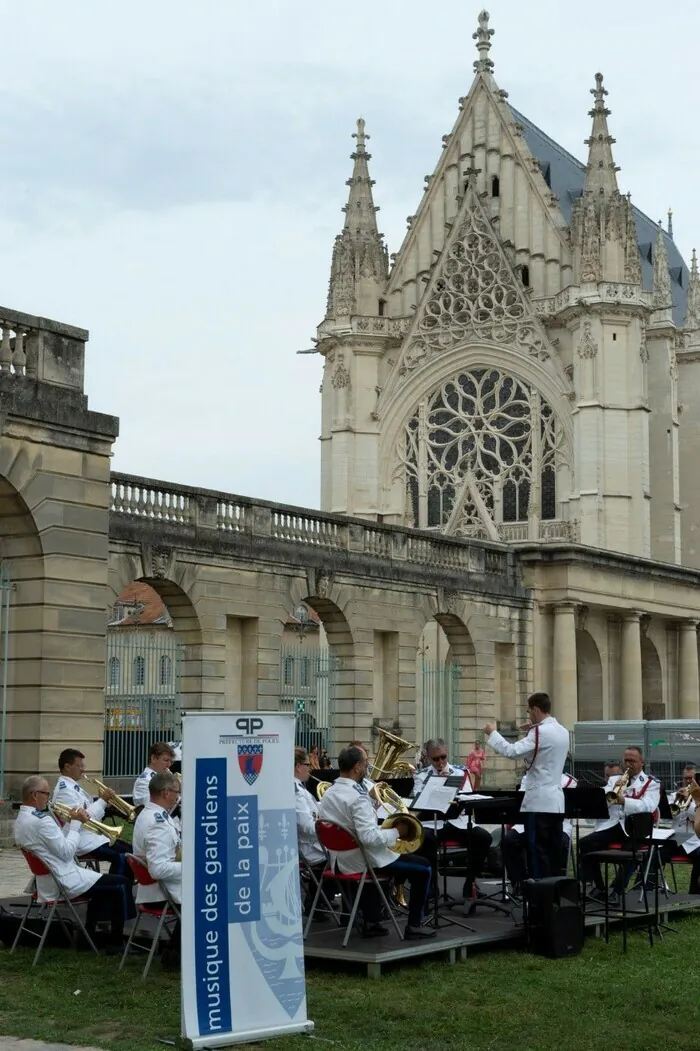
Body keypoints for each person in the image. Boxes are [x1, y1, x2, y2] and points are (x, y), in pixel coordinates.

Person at [318, 745, 435, 939]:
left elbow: (350, 830)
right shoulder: (357, 798)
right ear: (356, 767)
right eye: (365, 763)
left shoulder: (330, 792)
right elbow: (369, 838)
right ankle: (415, 925)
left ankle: (372, 920)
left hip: (338, 861)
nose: (368, 767)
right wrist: (397, 831)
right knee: (424, 868)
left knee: (392, 860)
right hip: (360, 861)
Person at [14, 775, 134, 952]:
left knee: (106, 883)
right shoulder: (42, 821)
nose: (48, 798)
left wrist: (70, 823)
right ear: (34, 795)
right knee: (121, 884)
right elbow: (67, 852)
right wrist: (76, 824)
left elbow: (57, 843)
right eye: (46, 794)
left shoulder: (22, 819)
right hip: (64, 878)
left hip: (48, 879)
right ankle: (115, 942)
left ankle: (90, 936)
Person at [484, 692, 570, 880]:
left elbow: (512, 751)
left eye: (529, 711)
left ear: (537, 710)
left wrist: (493, 733)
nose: (528, 715)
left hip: (538, 801)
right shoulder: (562, 731)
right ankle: (554, 893)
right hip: (556, 801)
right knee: (552, 852)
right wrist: (533, 729)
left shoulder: (539, 732)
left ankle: (539, 895)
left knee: (537, 852)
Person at [412, 738, 492, 901]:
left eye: (443, 757)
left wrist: (450, 787)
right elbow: (417, 799)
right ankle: (432, 885)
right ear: (428, 758)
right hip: (433, 823)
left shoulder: (460, 772)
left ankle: (470, 883)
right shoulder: (421, 775)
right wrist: (439, 785)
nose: (441, 762)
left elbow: (468, 798)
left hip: (458, 822)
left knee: (484, 838)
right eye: (436, 759)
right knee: (425, 839)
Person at [579, 746, 660, 901]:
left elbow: (648, 806)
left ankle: (617, 890)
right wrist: (610, 796)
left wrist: (624, 801)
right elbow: (603, 802)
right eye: (626, 760)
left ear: (641, 762)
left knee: (631, 853)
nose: (628, 764)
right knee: (586, 843)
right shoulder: (613, 780)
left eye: (632, 761)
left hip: (636, 828)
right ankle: (599, 887)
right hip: (615, 826)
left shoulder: (651, 783)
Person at [51, 748, 132, 879]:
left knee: (131, 851)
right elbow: (83, 819)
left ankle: (121, 887)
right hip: (82, 841)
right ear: (67, 766)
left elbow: (88, 811)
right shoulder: (65, 790)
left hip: (91, 837)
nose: (83, 769)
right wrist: (103, 800)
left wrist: (104, 802)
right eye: (79, 766)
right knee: (123, 856)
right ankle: (115, 889)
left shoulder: (72, 786)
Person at [132, 770, 182, 969]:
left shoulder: (150, 814)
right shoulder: (157, 822)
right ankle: (177, 954)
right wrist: (194, 868)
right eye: (177, 792)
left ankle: (175, 950)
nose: (178, 796)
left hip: (158, 888)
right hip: (162, 892)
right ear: (166, 792)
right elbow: (158, 869)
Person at [502, 770, 577, 894]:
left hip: (558, 823)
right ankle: (520, 881)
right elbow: (521, 802)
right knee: (509, 841)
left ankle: (554, 884)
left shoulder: (568, 781)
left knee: (557, 843)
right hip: (529, 822)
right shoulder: (528, 778)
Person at [294, 747, 331, 916]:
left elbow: (315, 811)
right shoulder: (296, 793)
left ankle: (319, 901)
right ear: (298, 766)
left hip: (314, 845)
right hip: (310, 848)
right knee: (351, 858)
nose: (310, 768)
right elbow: (307, 827)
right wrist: (330, 826)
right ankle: (353, 910)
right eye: (308, 764)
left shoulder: (300, 789)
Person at [660, 765, 700, 894]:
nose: (688, 781)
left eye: (691, 778)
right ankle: (659, 887)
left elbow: (694, 816)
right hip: (676, 838)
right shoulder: (675, 796)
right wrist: (677, 799)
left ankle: (694, 892)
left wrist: (692, 799)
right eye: (685, 778)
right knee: (656, 854)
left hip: (694, 841)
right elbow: (668, 816)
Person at [132, 742, 176, 809]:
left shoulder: (165, 776)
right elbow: (151, 808)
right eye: (166, 760)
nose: (169, 765)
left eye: (171, 762)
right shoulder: (143, 781)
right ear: (154, 758)